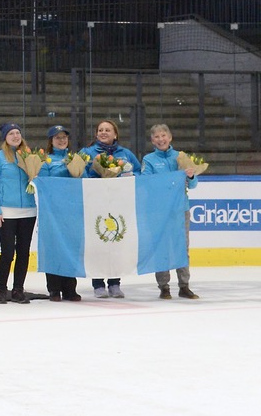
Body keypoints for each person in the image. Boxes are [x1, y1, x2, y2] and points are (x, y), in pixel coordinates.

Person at [79, 119, 140, 298]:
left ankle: (114, 283)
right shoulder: (87, 152)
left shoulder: (125, 154)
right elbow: (77, 172)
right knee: (96, 242)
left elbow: (138, 172)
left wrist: (127, 174)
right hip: (94, 203)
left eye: (107, 130)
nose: (103, 133)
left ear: (115, 134)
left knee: (116, 242)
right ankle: (97, 283)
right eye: (100, 130)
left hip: (119, 204)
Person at [141, 123, 200, 300]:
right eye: (156, 137)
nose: (161, 139)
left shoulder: (181, 157)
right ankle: (164, 287)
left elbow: (194, 184)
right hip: (159, 212)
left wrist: (190, 175)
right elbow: (146, 183)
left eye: (163, 136)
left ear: (170, 137)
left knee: (182, 247)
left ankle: (184, 286)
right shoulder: (149, 160)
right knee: (162, 248)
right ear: (152, 140)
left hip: (180, 210)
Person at [0, 123, 36, 304]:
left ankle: (18, 290)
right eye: (11, 133)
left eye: (18, 133)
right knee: (7, 252)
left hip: (28, 211)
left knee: (23, 252)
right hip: (6, 212)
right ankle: (1, 289)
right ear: (5, 137)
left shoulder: (29, 156)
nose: (16, 136)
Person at [39, 124, 82, 301]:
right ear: (51, 141)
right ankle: (54, 288)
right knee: (54, 247)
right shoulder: (45, 160)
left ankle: (70, 287)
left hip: (72, 210)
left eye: (64, 137)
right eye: (57, 137)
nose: (62, 140)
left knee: (71, 247)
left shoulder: (76, 158)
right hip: (52, 211)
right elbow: (44, 183)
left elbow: (83, 180)